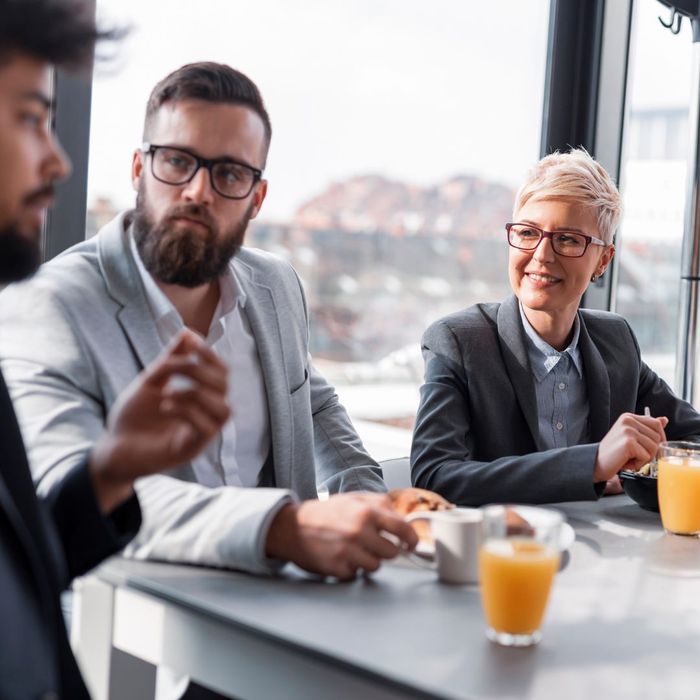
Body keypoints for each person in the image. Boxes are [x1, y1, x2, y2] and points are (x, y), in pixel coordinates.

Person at [0, 59, 416, 582]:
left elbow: (311, 402)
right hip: (139, 629)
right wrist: (281, 527)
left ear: (256, 198)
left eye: (229, 173)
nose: (199, 191)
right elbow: (67, 489)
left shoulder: (277, 286)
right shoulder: (46, 305)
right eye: (177, 161)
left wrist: (365, 499)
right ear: (138, 169)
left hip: (299, 604)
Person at [0, 1, 233, 697]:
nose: (58, 159)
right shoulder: (50, 303)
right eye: (30, 117)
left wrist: (109, 470)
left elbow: (21, 590)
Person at [411, 148, 700, 505]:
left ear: (603, 261)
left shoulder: (616, 340)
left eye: (567, 239)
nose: (543, 255)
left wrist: (648, 461)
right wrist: (592, 465)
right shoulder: (458, 341)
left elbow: (693, 437)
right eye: (528, 232)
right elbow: (434, 477)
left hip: (611, 554)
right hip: (508, 553)